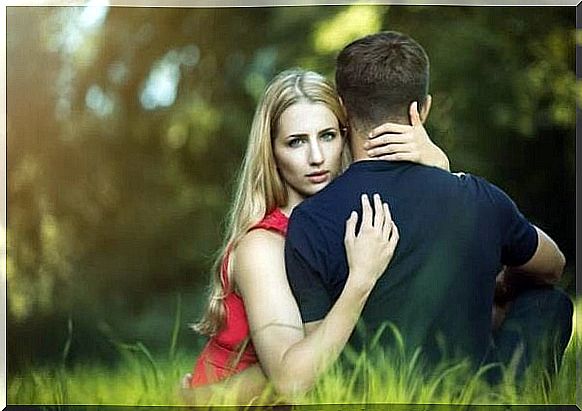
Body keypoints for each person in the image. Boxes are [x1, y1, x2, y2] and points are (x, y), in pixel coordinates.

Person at [284, 31, 573, 384]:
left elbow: (317, 358)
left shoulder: (309, 219)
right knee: (549, 301)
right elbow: (552, 265)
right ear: (422, 108)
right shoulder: (480, 197)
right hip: (475, 393)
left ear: (343, 108)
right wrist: (503, 281)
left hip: (366, 391)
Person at [182, 68, 451, 402]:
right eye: (296, 142)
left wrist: (440, 169)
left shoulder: (354, 219)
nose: (317, 157)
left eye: (327, 136)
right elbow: (289, 381)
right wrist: (360, 280)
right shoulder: (263, 247)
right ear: (272, 153)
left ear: (346, 135)